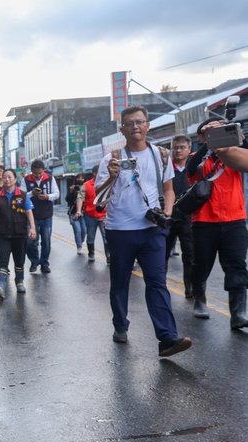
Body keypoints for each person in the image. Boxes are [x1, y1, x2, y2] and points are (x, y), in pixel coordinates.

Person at [95, 105, 191, 357]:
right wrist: (112, 177)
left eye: (139, 122)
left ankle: (167, 338)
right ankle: (120, 326)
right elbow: (99, 199)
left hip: (152, 229)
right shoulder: (111, 158)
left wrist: (167, 213)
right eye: (129, 123)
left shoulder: (161, 155)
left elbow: (169, 189)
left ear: (147, 125)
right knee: (120, 282)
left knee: (157, 282)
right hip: (119, 231)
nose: (135, 126)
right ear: (122, 130)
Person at [186, 119, 248, 329]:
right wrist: (210, 141)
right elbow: (190, 169)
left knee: (236, 265)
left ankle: (238, 314)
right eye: (211, 133)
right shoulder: (197, 158)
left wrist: (239, 138)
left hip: (235, 220)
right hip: (204, 221)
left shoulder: (234, 156)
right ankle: (200, 300)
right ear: (202, 138)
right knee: (201, 264)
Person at [0, 169, 36, 297]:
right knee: (2, 260)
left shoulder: (23, 195)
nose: (6, 179)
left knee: (19, 260)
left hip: (19, 233)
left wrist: (33, 228)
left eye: (9, 177)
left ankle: (19, 282)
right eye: (4, 177)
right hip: (2, 234)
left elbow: (29, 212)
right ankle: (0, 286)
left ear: (14, 179)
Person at [166, 134, 195, 299]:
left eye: (182, 147)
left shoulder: (194, 167)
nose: (178, 150)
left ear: (189, 149)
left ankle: (190, 290)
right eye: (175, 147)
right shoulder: (166, 168)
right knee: (162, 255)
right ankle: (160, 287)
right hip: (168, 218)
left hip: (188, 219)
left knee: (190, 256)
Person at [25, 159, 59, 273]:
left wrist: (48, 197)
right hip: (31, 216)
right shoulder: (26, 180)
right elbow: (21, 196)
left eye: (40, 173)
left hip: (46, 214)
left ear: (44, 170)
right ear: (31, 171)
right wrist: (31, 194)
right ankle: (34, 261)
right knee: (30, 240)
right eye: (35, 173)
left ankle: (44, 263)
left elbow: (56, 194)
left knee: (46, 241)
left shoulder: (50, 178)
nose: (38, 176)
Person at [76, 165, 109, 263]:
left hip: (104, 216)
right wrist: (78, 211)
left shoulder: (108, 183)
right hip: (90, 215)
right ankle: (91, 254)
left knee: (106, 236)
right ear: (94, 174)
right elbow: (80, 198)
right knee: (90, 235)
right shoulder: (86, 185)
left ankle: (108, 255)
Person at [66, 173, 87, 254]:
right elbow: (68, 200)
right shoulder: (72, 188)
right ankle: (79, 247)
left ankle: (80, 242)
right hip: (73, 212)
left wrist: (82, 192)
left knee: (84, 231)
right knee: (77, 230)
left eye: (82, 178)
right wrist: (72, 192)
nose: (80, 180)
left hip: (84, 213)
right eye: (78, 178)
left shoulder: (86, 188)